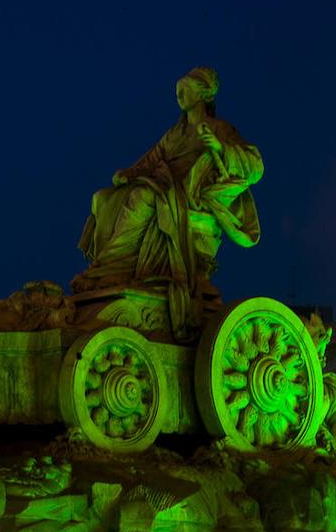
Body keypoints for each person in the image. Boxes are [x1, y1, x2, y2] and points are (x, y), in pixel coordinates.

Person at [72, 66, 263, 339]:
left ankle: (112, 267)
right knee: (101, 199)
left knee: (143, 198)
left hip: (188, 198)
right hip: (166, 187)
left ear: (204, 93)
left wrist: (221, 149)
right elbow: (150, 159)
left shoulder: (220, 129)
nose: (179, 95)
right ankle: (105, 268)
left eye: (184, 89)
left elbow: (256, 166)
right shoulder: (174, 133)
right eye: (177, 91)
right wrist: (129, 173)